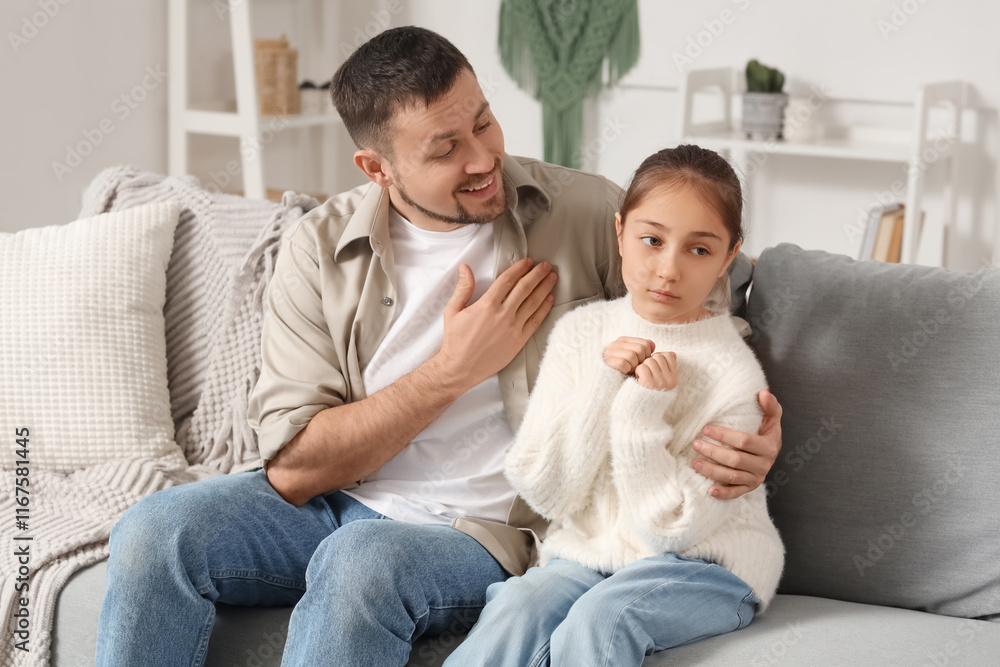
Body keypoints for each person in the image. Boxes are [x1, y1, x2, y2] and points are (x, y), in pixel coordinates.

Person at [95, 27, 783, 666]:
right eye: (444, 147)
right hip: (336, 505)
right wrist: (451, 371)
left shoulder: (583, 212)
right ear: (378, 167)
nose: (484, 158)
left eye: (482, 119)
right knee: (154, 530)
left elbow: (708, 312)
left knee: (363, 559)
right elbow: (296, 468)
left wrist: (753, 435)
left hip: (492, 531)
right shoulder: (318, 249)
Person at [443, 145, 785, 667]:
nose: (667, 270)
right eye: (651, 240)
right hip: (588, 554)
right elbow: (546, 492)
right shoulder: (580, 334)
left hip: (708, 566)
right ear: (620, 231)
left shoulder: (734, 378)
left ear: (728, 256)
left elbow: (671, 530)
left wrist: (637, 415)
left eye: (699, 250)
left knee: (605, 617)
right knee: (519, 606)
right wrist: (603, 385)